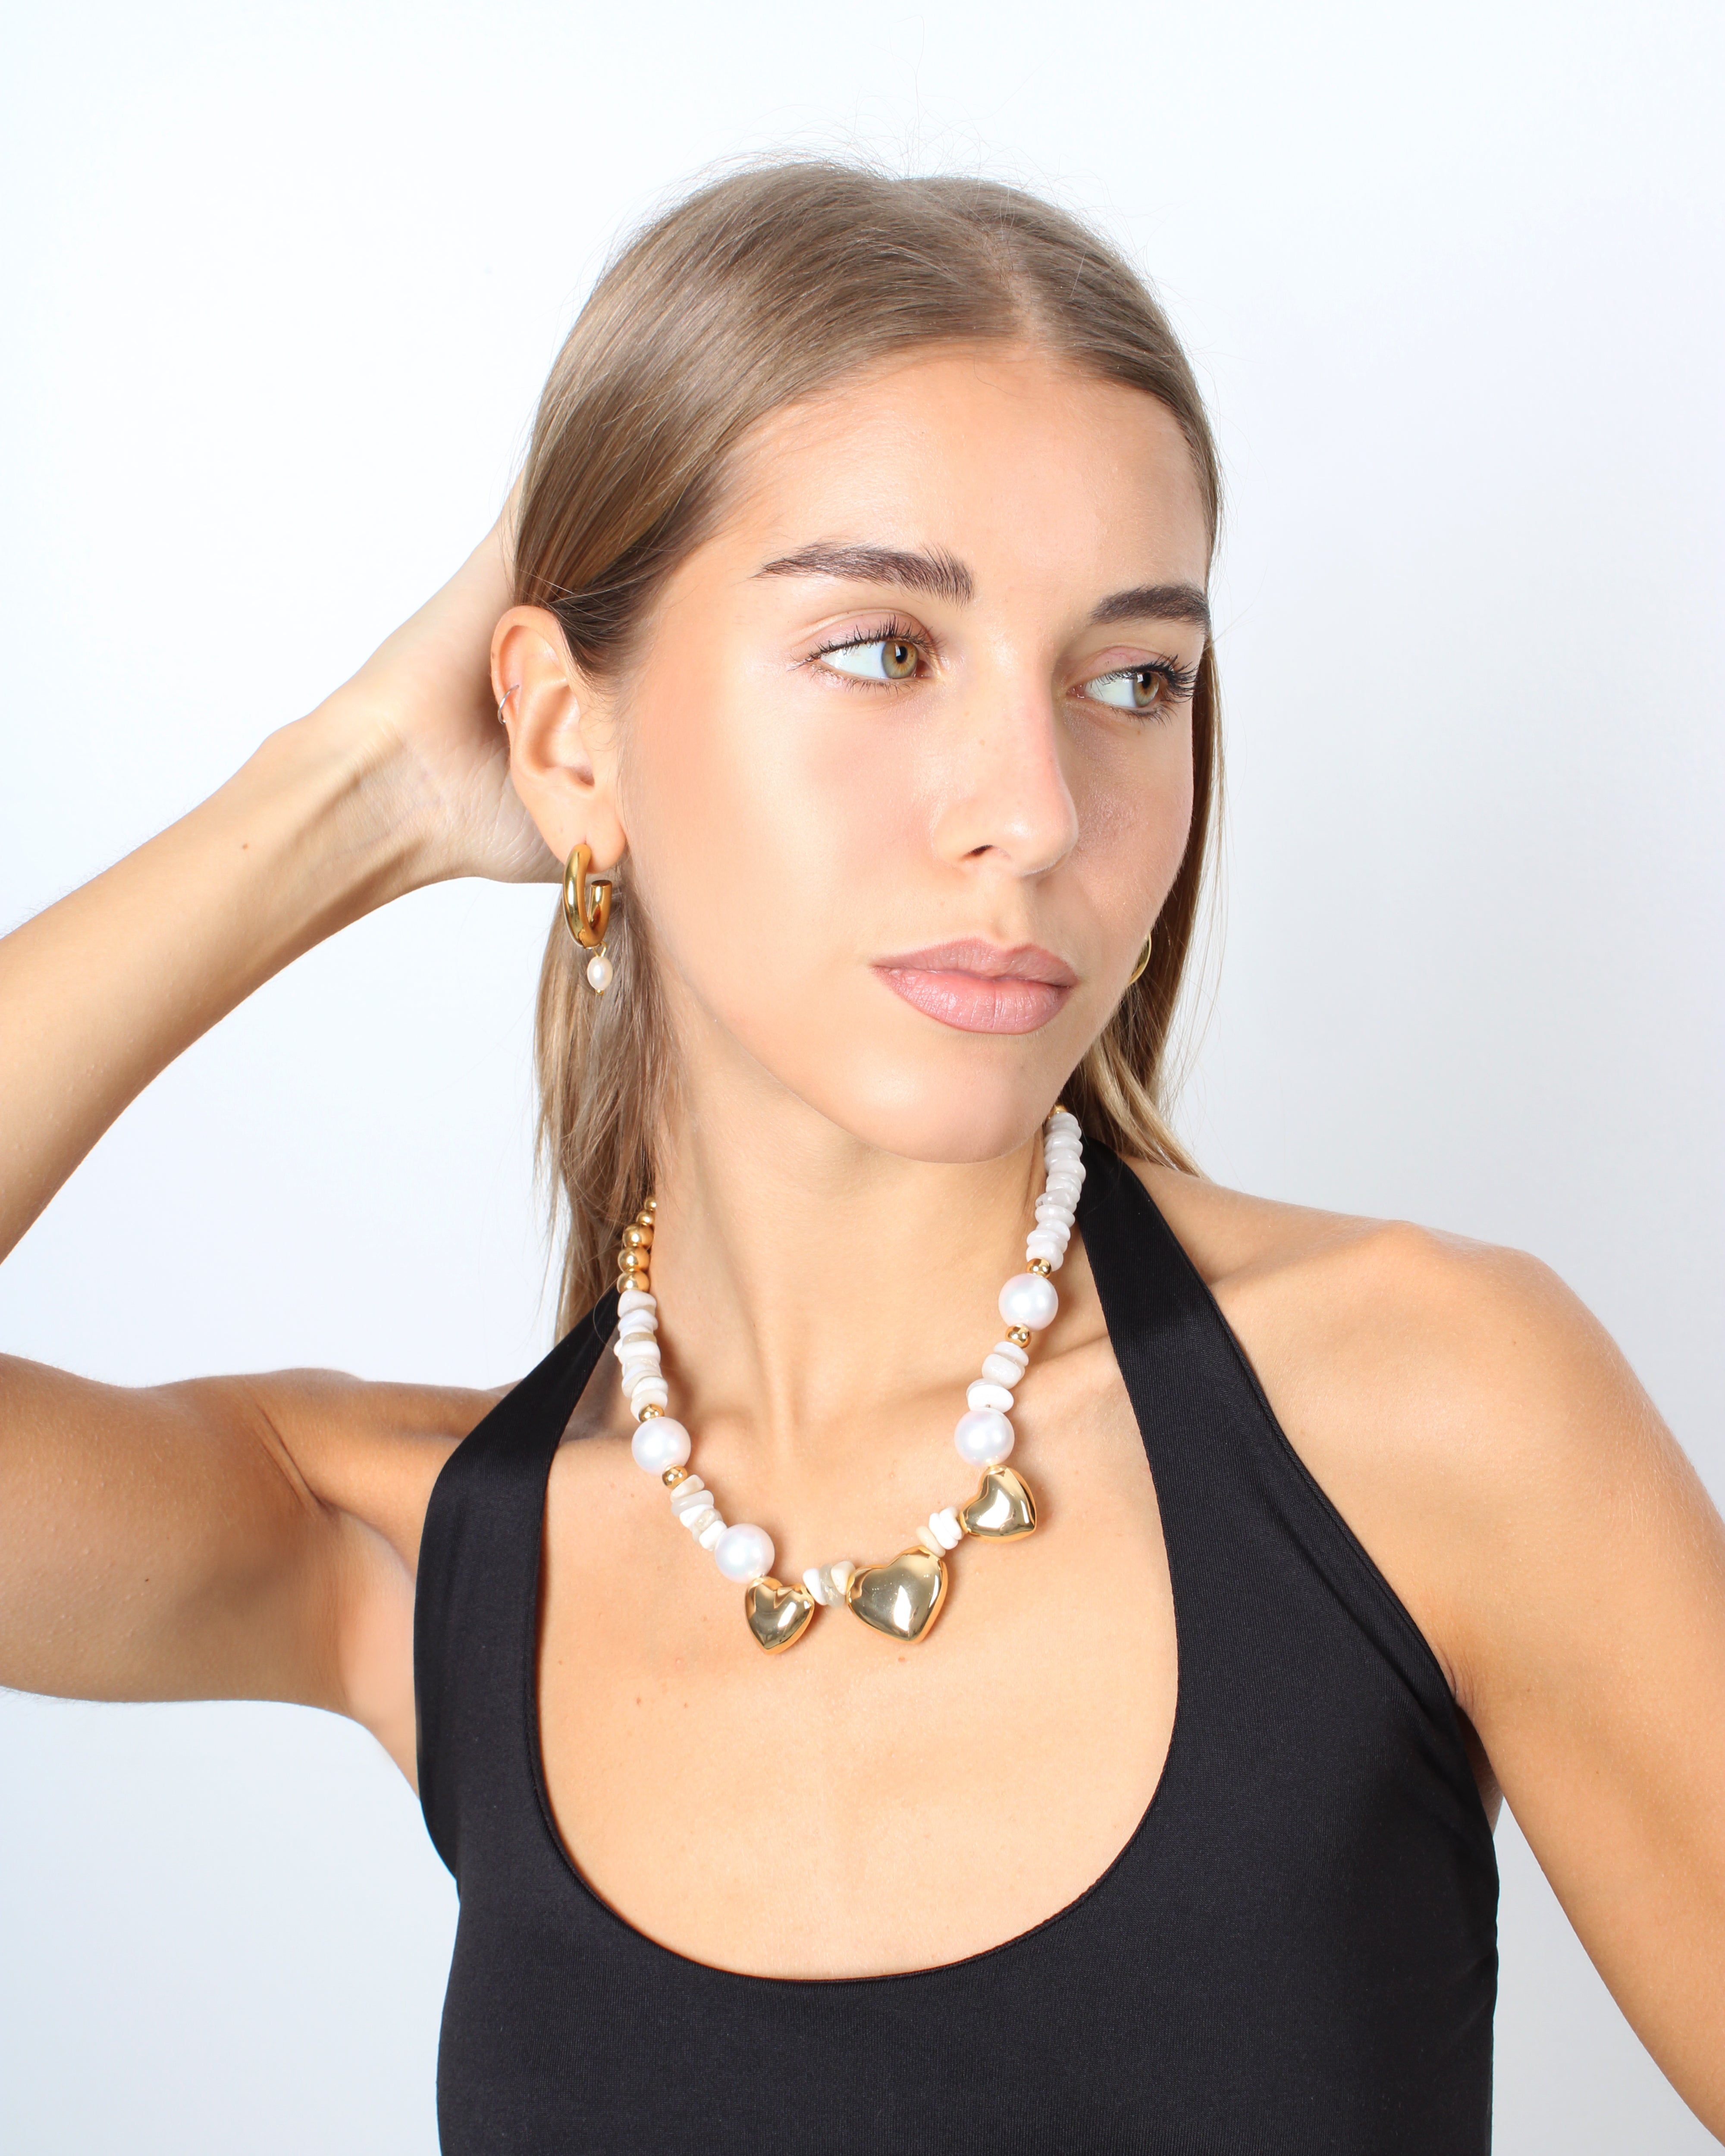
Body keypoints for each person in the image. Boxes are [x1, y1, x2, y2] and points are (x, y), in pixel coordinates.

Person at [1, 160, 1721, 2153]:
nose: (1034, 811)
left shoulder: (1427, 1415)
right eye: (885, 648)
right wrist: (354, 787)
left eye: (1132, 678)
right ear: (565, 735)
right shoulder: (419, 1548)